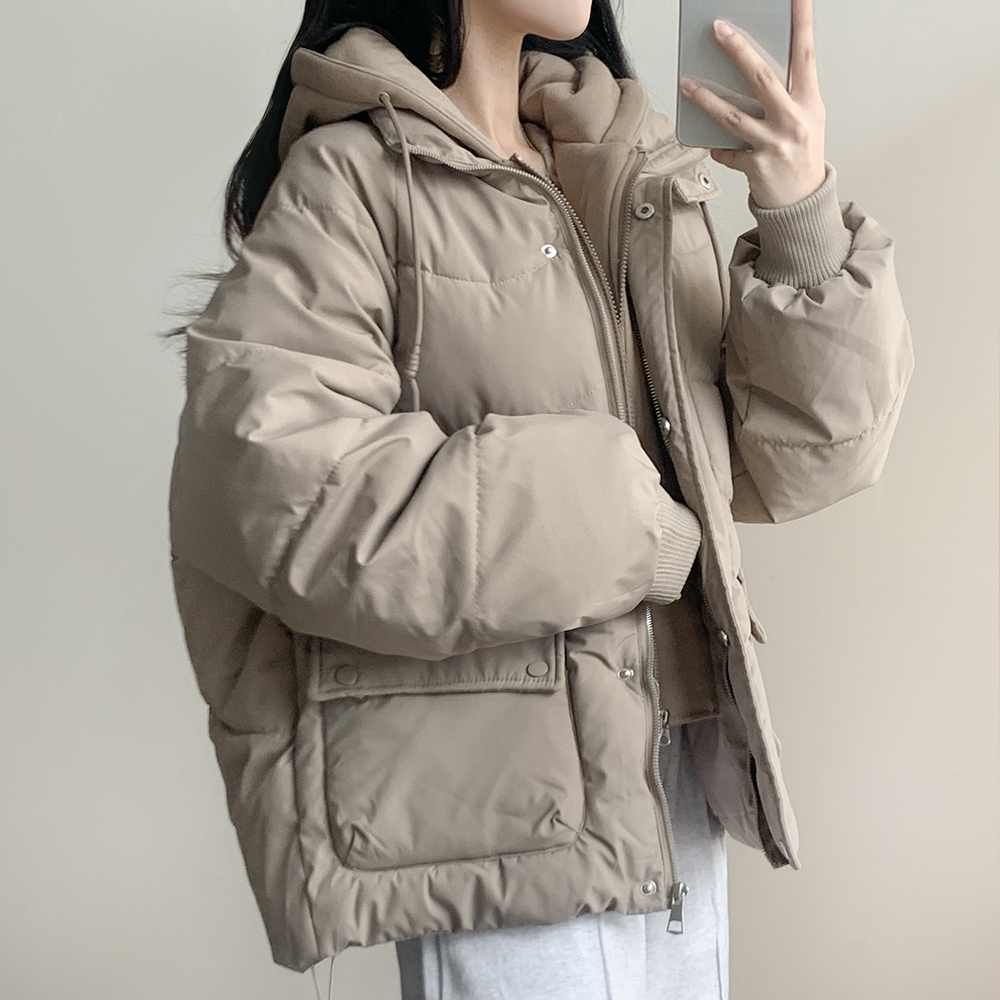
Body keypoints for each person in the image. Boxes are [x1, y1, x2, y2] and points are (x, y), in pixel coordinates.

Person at [163, 0, 913, 997]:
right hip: (496, 812)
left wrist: (796, 211)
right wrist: (626, 520)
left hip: (673, 777)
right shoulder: (352, 178)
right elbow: (283, 490)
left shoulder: (624, 165)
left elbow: (790, 460)